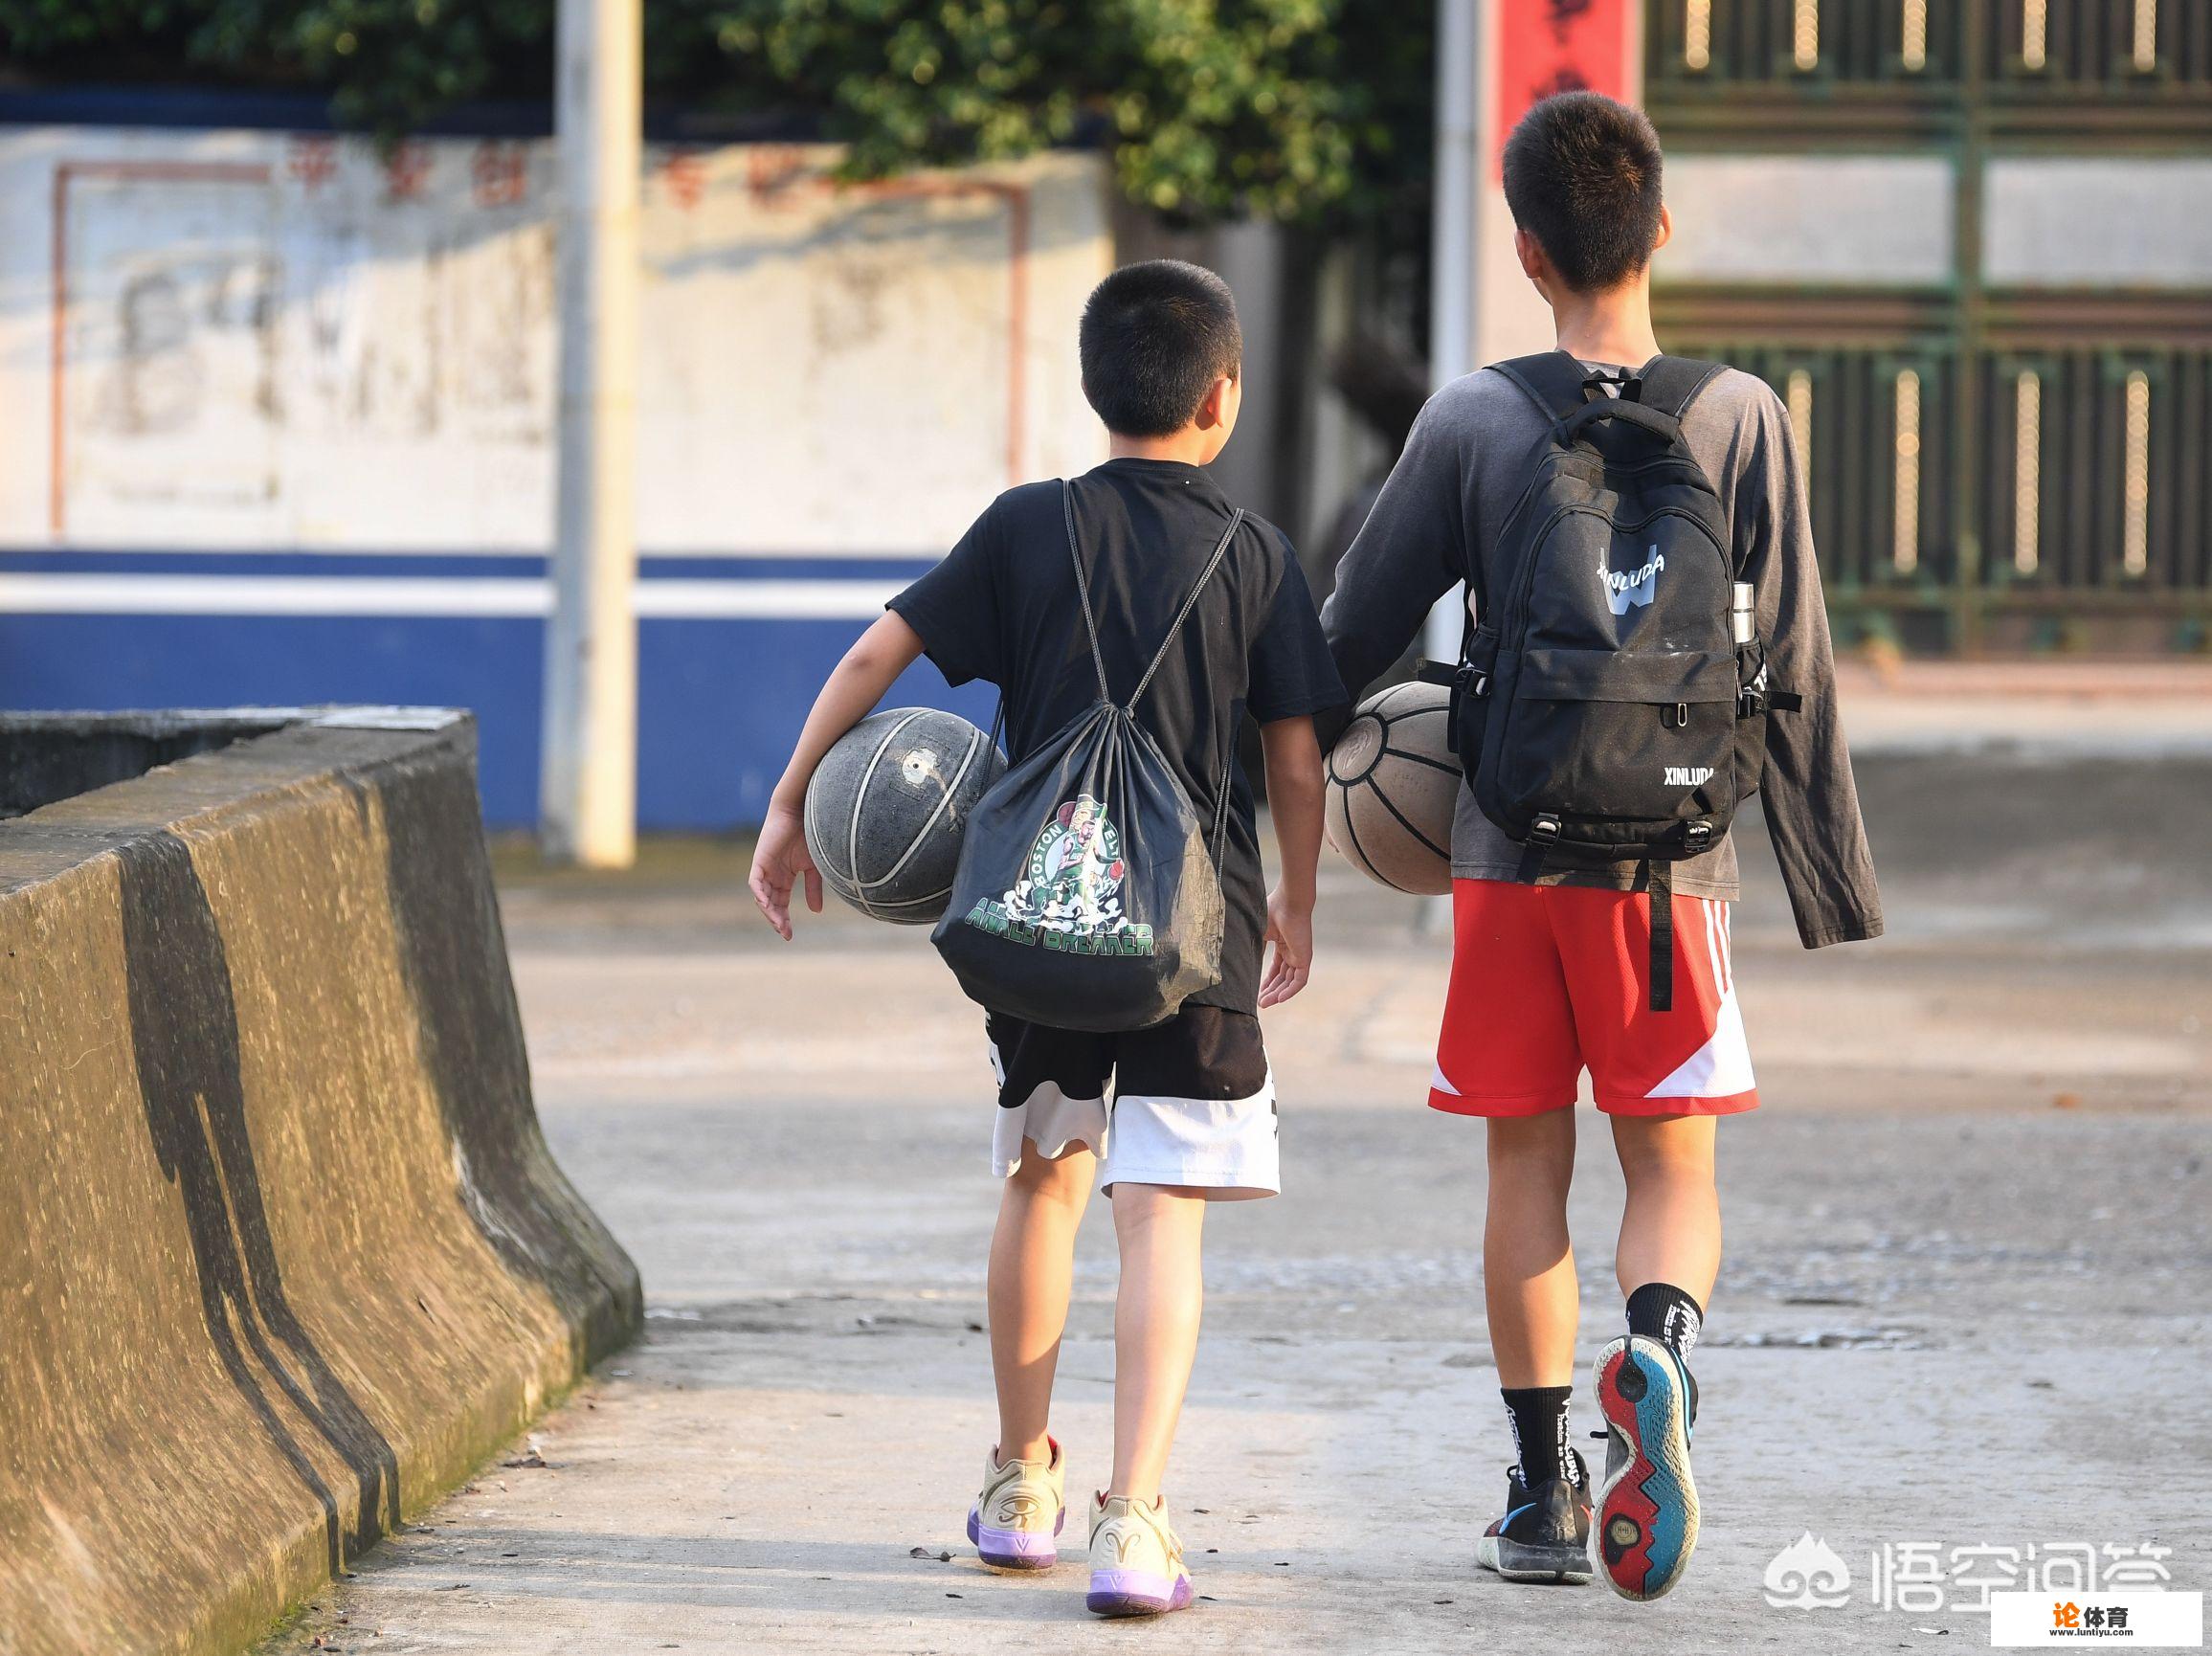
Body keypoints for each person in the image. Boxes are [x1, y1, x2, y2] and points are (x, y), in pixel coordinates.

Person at [1320, 93, 1882, 1601]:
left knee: (1527, 1163)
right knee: (1671, 1164)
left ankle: (1536, 1489)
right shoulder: (1742, 412)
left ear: (1524, 248)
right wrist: (1829, 878)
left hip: (1508, 851)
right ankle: (1662, 1352)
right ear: (1663, 228)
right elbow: (1800, 664)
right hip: (1671, 872)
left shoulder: (1473, 418)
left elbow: (1352, 638)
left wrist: (1276, 774)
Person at [749, 258, 1344, 1619]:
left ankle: (1023, 1484)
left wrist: (794, 803)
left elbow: (871, 656)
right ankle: (1134, 1524)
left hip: (1045, 913)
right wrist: (1297, 899)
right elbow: (1297, 764)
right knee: (1161, 1218)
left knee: (1044, 1177)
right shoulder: (1255, 556)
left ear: (1099, 390)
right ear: (1223, 395)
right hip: (1194, 936)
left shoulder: (1025, 528)